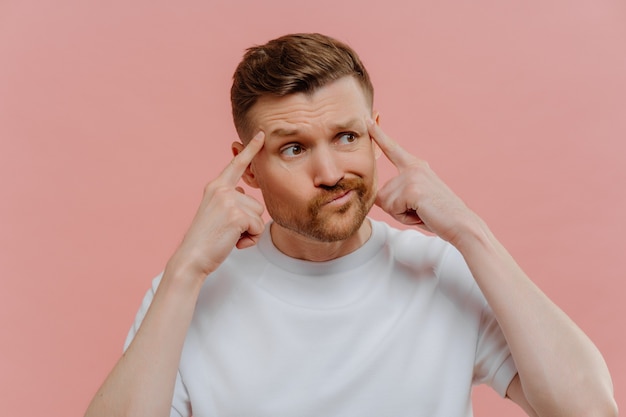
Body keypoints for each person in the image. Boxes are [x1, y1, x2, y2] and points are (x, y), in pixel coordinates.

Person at [84, 33, 617, 417]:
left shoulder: (441, 271)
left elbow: (589, 409)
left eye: (346, 137)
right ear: (248, 167)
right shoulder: (186, 295)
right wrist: (185, 270)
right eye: (294, 148)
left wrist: (469, 232)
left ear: (374, 134)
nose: (332, 172)